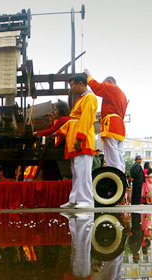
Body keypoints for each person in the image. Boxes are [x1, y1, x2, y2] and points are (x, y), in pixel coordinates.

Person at [59, 73, 98, 209]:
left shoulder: (90, 97)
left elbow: (86, 119)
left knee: (83, 171)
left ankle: (86, 200)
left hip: (82, 140)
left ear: (80, 83)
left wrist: (80, 138)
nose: (71, 89)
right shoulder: (81, 99)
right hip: (74, 140)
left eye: (72, 85)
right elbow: (73, 121)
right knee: (76, 172)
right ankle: (74, 199)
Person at [84, 69, 127, 172]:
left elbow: (97, 87)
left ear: (109, 82)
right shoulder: (122, 95)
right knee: (118, 154)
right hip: (120, 125)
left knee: (111, 155)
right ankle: (121, 174)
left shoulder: (112, 88)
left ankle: (115, 175)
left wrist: (88, 75)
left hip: (111, 124)